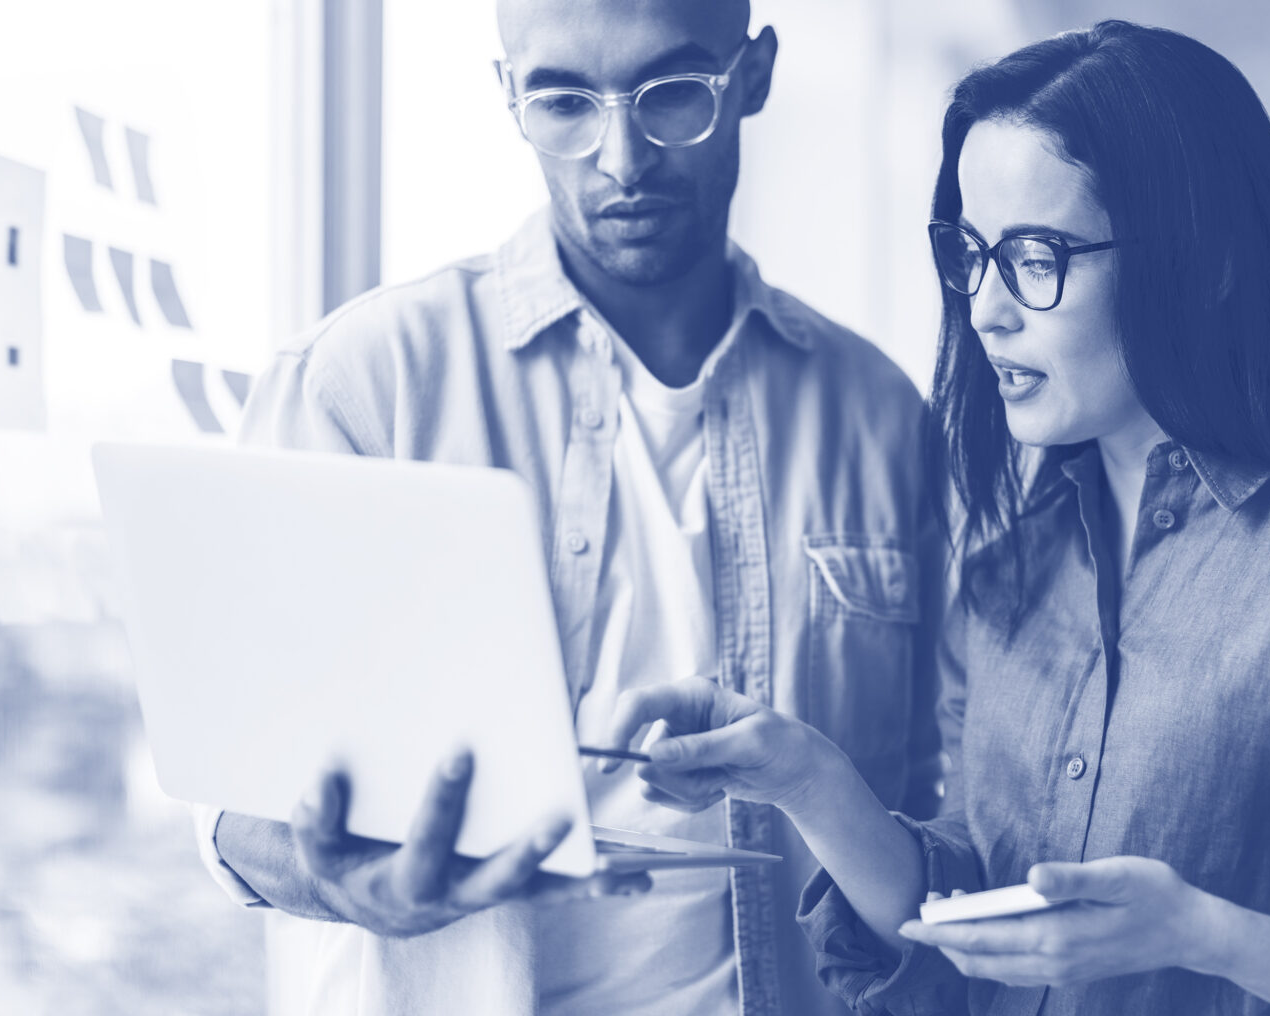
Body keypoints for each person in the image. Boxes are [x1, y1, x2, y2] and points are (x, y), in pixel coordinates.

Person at [602, 21, 1270, 1014]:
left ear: (1202, 262)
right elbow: (970, 929)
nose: (988, 307)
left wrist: (1202, 933)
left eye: (1038, 256)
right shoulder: (1010, 572)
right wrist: (807, 777)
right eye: (972, 253)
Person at [193, 1, 944, 1013]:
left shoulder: (882, 416)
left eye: (673, 93)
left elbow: (945, 812)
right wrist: (345, 879)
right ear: (507, 96)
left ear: (753, 76)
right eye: (562, 101)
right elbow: (233, 799)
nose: (620, 156)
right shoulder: (359, 384)